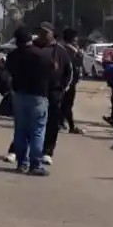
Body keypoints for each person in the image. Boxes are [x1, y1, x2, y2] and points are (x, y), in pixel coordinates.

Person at [3, 26, 53, 176]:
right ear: (30, 39)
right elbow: (53, 69)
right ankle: (35, 164)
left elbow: (8, 71)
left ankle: (21, 163)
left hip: (19, 95)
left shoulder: (13, 56)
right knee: (37, 131)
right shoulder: (41, 55)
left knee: (20, 131)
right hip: (38, 96)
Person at [36, 23, 74, 165]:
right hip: (35, 91)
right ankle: (18, 150)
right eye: (40, 32)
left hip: (54, 93)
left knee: (52, 123)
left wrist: (62, 88)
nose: (42, 35)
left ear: (51, 33)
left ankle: (47, 151)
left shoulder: (60, 51)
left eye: (45, 32)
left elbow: (69, 72)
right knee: (29, 122)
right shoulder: (35, 48)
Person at [58, 28, 85, 135]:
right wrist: (80, 56)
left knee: (66, 104)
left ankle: (61, 122)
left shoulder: (71, 49)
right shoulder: (68, 50)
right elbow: (73, 65)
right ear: (73, 38)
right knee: (67, 104)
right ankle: (70, 126)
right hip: (68, 82)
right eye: (76, 37)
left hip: (70, 81)